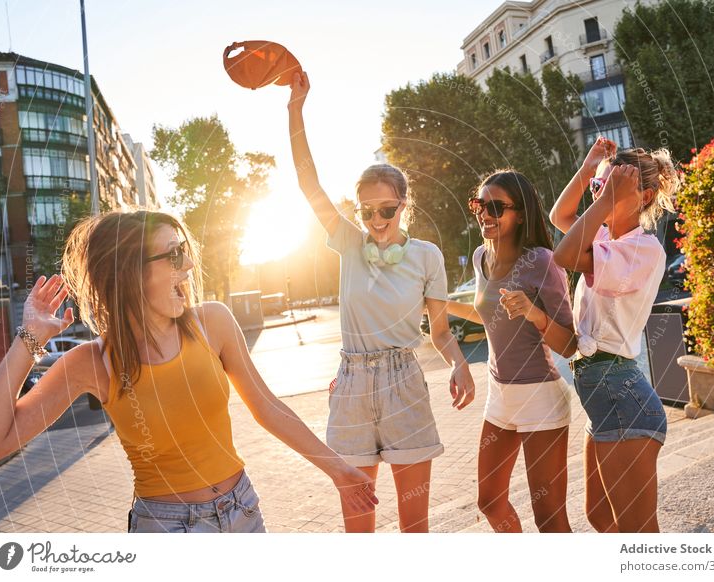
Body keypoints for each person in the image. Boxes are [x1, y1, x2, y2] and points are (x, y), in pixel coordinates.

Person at [0, 210, 378, 533]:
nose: (188, 264)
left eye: (184, 250)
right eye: (173, 254)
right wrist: (28, 339)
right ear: (130, 274)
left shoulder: (213, 323)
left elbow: (269, 408)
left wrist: (337, 469)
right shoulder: (92, 363)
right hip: (166, 529)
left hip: (243, 511)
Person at [287, 71, 475, 533]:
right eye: (366, 211)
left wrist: (458, 364)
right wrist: (296, 108)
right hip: (351, 386)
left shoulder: (427, 257)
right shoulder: (349, 243)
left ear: (404, 205)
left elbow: (441, 331)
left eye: (386, 210)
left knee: (415, 529)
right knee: (359, 526)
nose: (375, 220)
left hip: (403, 383)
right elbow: (308, 184)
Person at [550, 137, 679, 532]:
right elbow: (560, 217)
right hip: (603, 396)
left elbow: (564, 256)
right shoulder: (604, 239)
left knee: (638, 535)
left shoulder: (643, 250)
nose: (599, 196)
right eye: (597, 189)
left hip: (623, 395)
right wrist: (590, 167)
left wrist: (603, 201)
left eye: (609, 190)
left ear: (646, 196)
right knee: (601, 516)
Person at [445, 170, 576, 533]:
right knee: (489, 500)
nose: (485, 214)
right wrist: (439, 306)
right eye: (479, 205)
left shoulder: (542, 262)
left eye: (495, 207)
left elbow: (570, 343)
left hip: (540, 396)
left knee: (549, 517)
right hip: (498, 395)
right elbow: (489, 316)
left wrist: (534, 314)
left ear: (520, 213)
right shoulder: (479, 258)